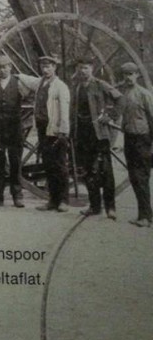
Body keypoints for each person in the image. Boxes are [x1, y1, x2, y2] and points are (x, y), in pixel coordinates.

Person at [71, 57, 121, 219]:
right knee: (87, 172)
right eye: (80, 68)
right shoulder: (77, 87)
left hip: (99, 135)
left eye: (85, 68)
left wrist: (110, 116)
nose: (82, 71)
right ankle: (94, 206)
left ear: (91, 68)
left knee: (105, 172)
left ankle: (110, 207)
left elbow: (120, 99)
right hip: (83, 135)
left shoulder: (100, 85)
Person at [0, 55, 34, 208]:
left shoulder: (18, 83)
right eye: (0, 68)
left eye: (6, 67)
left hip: (14, 128)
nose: (3, 70)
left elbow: (29, 96)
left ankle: (17, 195)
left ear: (10, 67)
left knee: (15, 161)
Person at [28, 56, 71, 212]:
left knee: (60, 165)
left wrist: (63, 131)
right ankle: (53, 200)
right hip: (43, 129)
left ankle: (64, 200)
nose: (45, 69)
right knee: (48, 165)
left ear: (54, 67)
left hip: (55, 130)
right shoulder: (40, 83)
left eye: (48, 66)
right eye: (43, 66)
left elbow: (65, 111)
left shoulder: (60, 86)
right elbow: (27, 80)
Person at [113, 62, 153, 227]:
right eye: (125, 75)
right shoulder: (124, 94)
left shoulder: (145, 94)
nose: (128, 78)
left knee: (141, 177)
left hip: (143, 139)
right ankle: (143, 214)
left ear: (137, 75)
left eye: (131, 74)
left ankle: (146, 216)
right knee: (134, 178)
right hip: (129, 139)